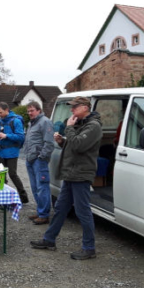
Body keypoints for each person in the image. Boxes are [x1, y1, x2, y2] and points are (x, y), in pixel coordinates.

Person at [30, 96, 102, 260]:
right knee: (61, 209)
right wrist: (62, 141)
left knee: (83, 212)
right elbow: (74, 145)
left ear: (85, 107)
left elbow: (78, 145)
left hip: (81, 174)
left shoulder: (94, 126)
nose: (72, 110)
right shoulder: (83, 124)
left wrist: (68, 129)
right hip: (72, 174)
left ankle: (89, 248)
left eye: (75, 107)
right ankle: (49, 240)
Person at [23, 101, 55, 225]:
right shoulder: (31, 123)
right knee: (35, 187)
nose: (30, 113)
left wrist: (42, 157)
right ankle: (40, 211)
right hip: (30, 159)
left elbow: (49, 143)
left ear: (39, 110)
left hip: (38, 161)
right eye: (28, 111)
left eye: (32, 110)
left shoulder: (45, 122)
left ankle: (44, 215)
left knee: (42, 187)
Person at [0, 102, 29, 203]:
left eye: (1, 112)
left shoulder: (16, 121)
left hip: (12, 152)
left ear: (7, 110)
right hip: (1, 151)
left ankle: (23, 196)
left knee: (12, 174)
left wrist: (7, 136)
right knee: (0, 174)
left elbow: (21, 137)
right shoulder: (0, 121)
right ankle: (3, 195)